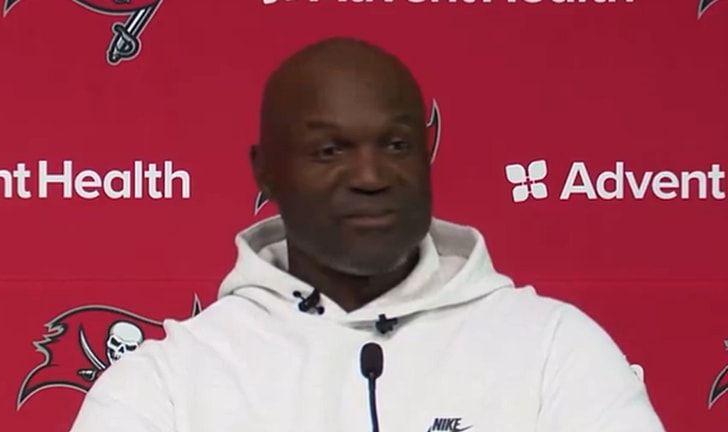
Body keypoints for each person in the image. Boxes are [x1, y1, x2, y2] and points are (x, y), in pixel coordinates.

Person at [69, 37, 665, 432]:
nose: (371, 176)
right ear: (266, 171)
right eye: (331, 150)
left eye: (396, 145)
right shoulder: (168, 384)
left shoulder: (554, 351)